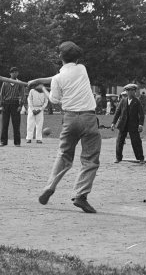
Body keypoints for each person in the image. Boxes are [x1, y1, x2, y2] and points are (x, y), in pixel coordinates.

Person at [29, 41, 101, 213]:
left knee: (64, 156)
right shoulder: (82, 69)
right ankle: (80, 195)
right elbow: (57, 79)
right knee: (90, 159)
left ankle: (50, 186)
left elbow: (54, 99)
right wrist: (40, 82)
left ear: (60, 56)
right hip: (88, 117)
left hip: (69, 119)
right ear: (77, 57)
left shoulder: (57, 79)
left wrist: (41, 88)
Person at [111, 83, 146, 163]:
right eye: (130, 91)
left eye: (133, 91)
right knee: (119, 141)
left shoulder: (137, 101)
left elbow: (141, 114)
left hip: (133, 125)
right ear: (127, 92)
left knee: (136, 141)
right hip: (123, 124)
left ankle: (140, 158)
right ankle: (118, 158)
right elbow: (117, 112)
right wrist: (113, 123)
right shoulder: (123, 101)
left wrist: (140, 124)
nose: (133, 92)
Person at [0, 67, 25, 147]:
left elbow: (22, 95)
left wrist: (20, 105)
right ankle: (3, 142)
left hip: (15, 104)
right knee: (4, 124)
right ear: (10, 73)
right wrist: (1, 105)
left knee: (16, 124)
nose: (14, 73)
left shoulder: (20, 83)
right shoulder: (5, 82)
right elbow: (2, 94)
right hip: (6, 104)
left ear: (18, 73)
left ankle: (17, 142)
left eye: (16, 72)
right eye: (13, 72)